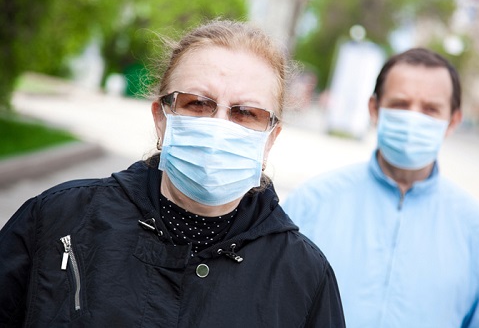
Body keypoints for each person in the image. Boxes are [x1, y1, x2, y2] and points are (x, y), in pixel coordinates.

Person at [0, 20, 345, 327]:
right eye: (197, 103)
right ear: (161, 118)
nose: (218, 126)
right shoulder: (58, 219)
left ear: (271, 137)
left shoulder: (304, 276)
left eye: (245, 113)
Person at [283, 48, 479, 327]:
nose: (413, 118)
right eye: (400, 104)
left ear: (453, 121)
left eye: (430, 109)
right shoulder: (311, 203)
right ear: (374, 109)